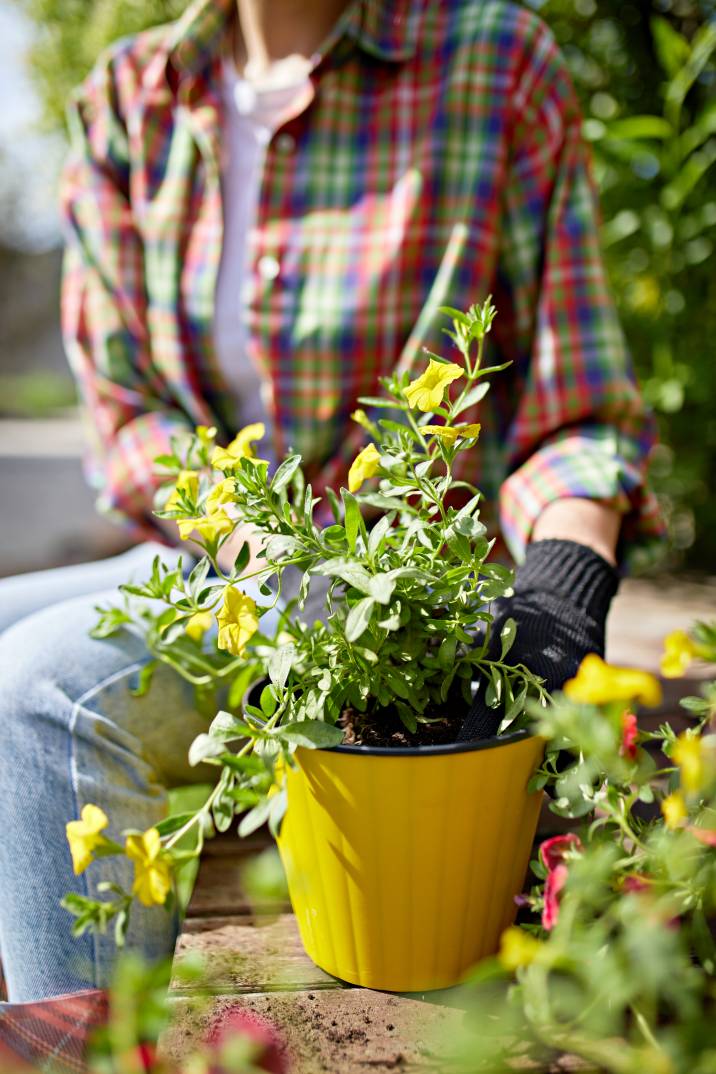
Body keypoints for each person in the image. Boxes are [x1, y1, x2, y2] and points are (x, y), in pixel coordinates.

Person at [0, 0, 663, 1004]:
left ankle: (85, 1056)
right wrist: (273, 554)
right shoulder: (131, 100)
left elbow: (577, 415)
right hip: (220, 564)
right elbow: (128, 412)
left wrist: (559, 594)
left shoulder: (489, 61)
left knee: (40, 691)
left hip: (402, 610)